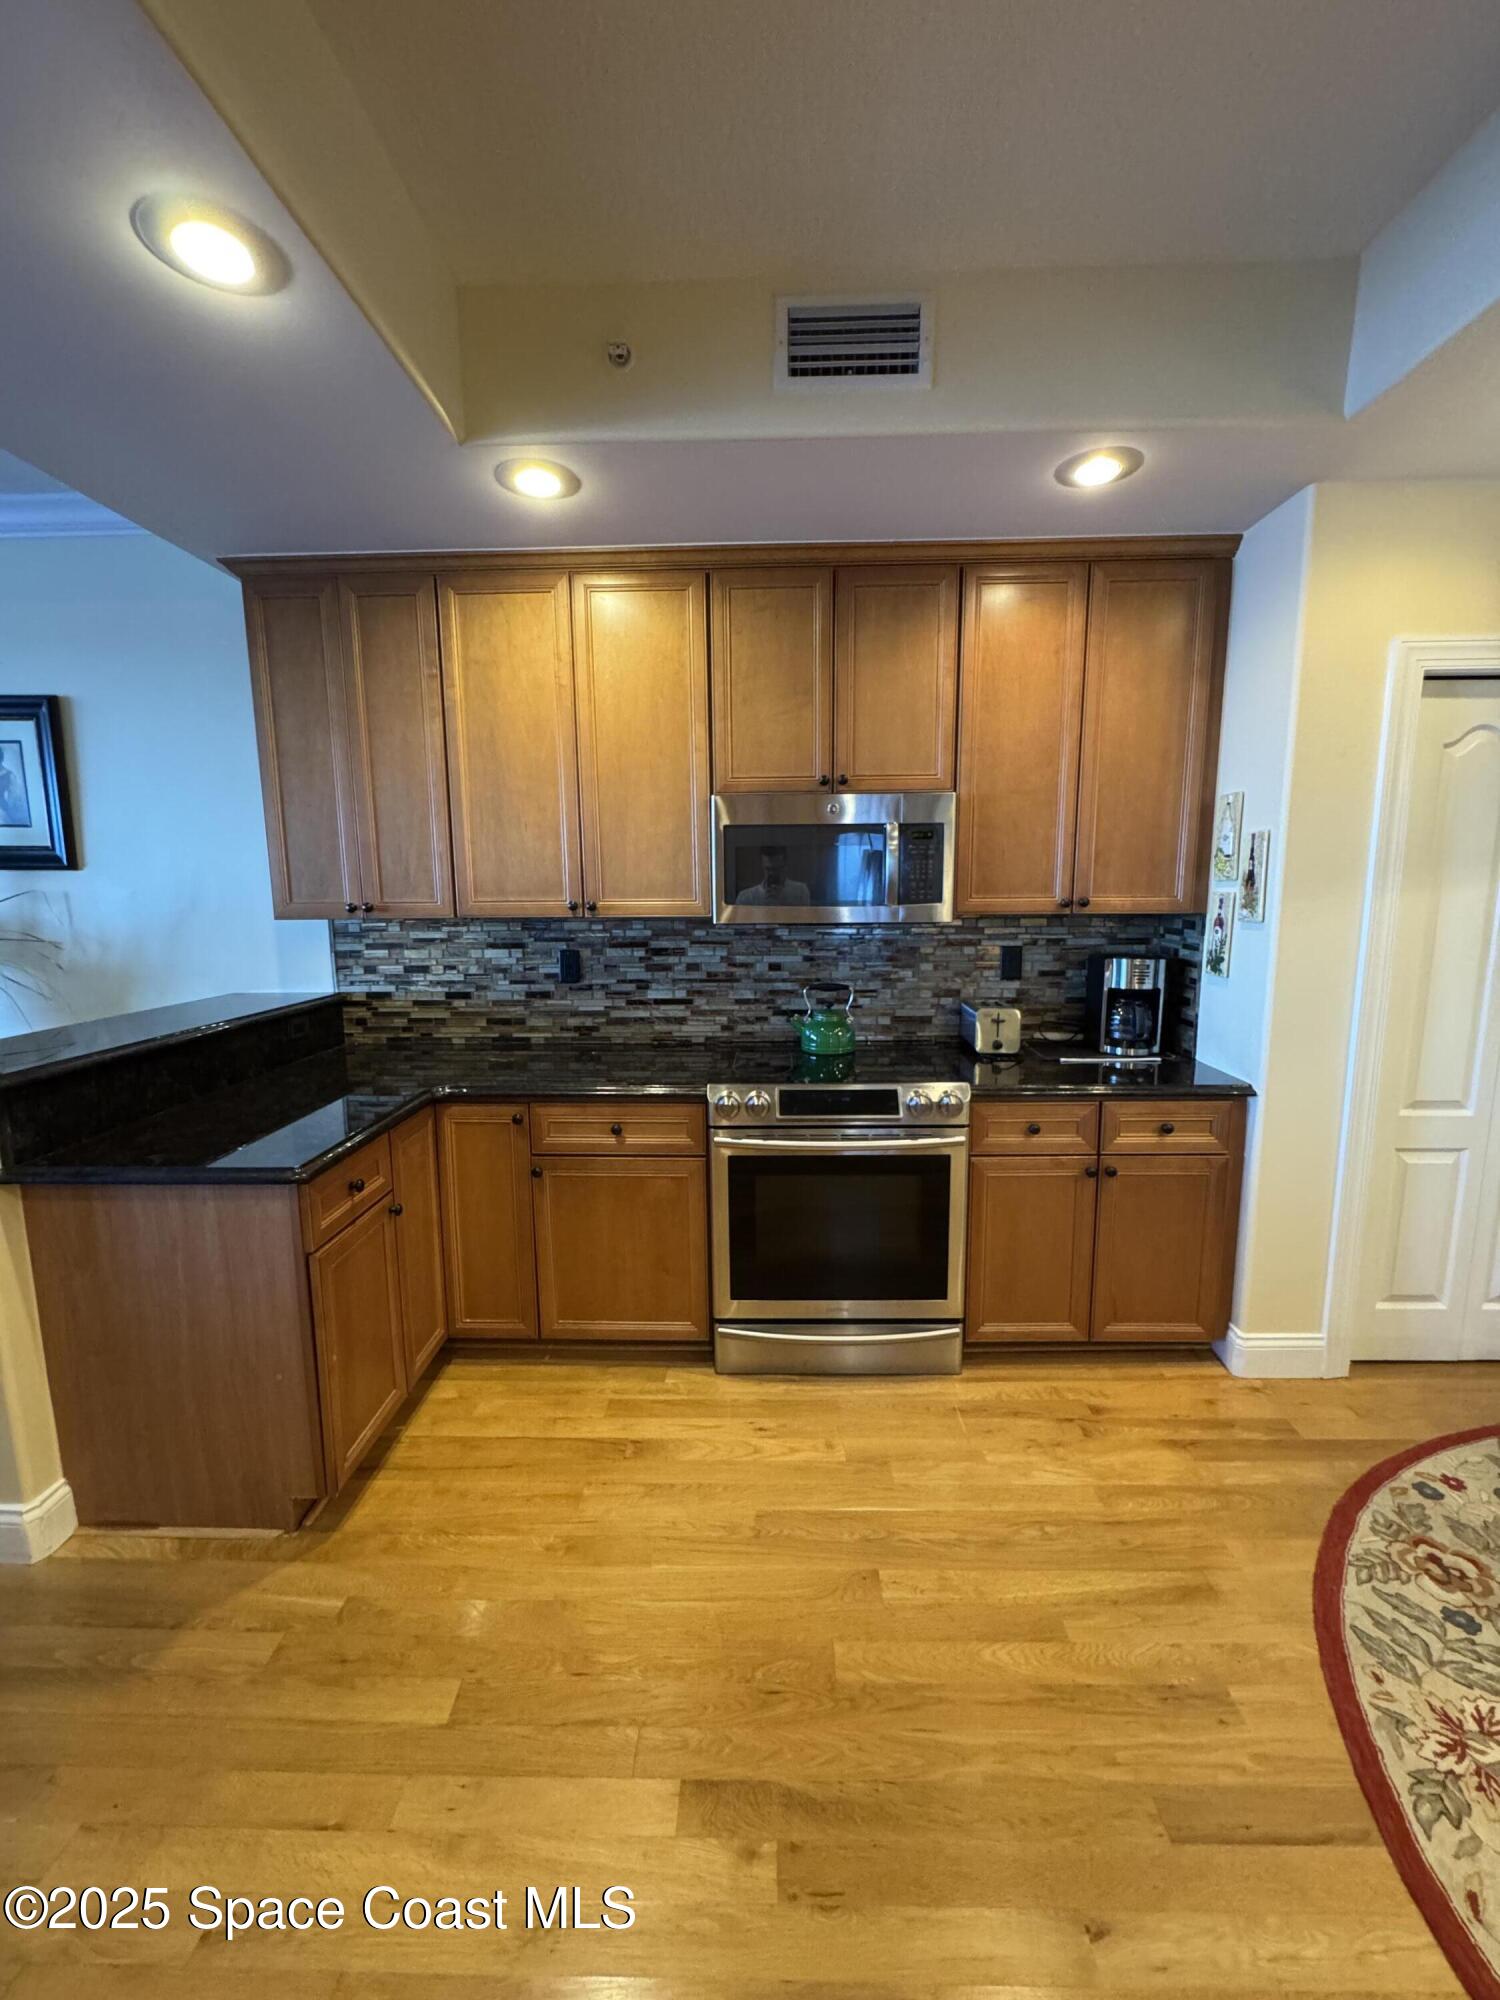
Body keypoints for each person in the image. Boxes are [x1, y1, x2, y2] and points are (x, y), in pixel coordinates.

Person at [736, 843, 811, 906]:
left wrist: (783, 901)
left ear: (785, 865)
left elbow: (805, 919)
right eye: (768, 869)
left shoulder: (801, 892)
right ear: (762, 865)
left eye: (776, 869)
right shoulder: (745, 897)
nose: (772, 873)